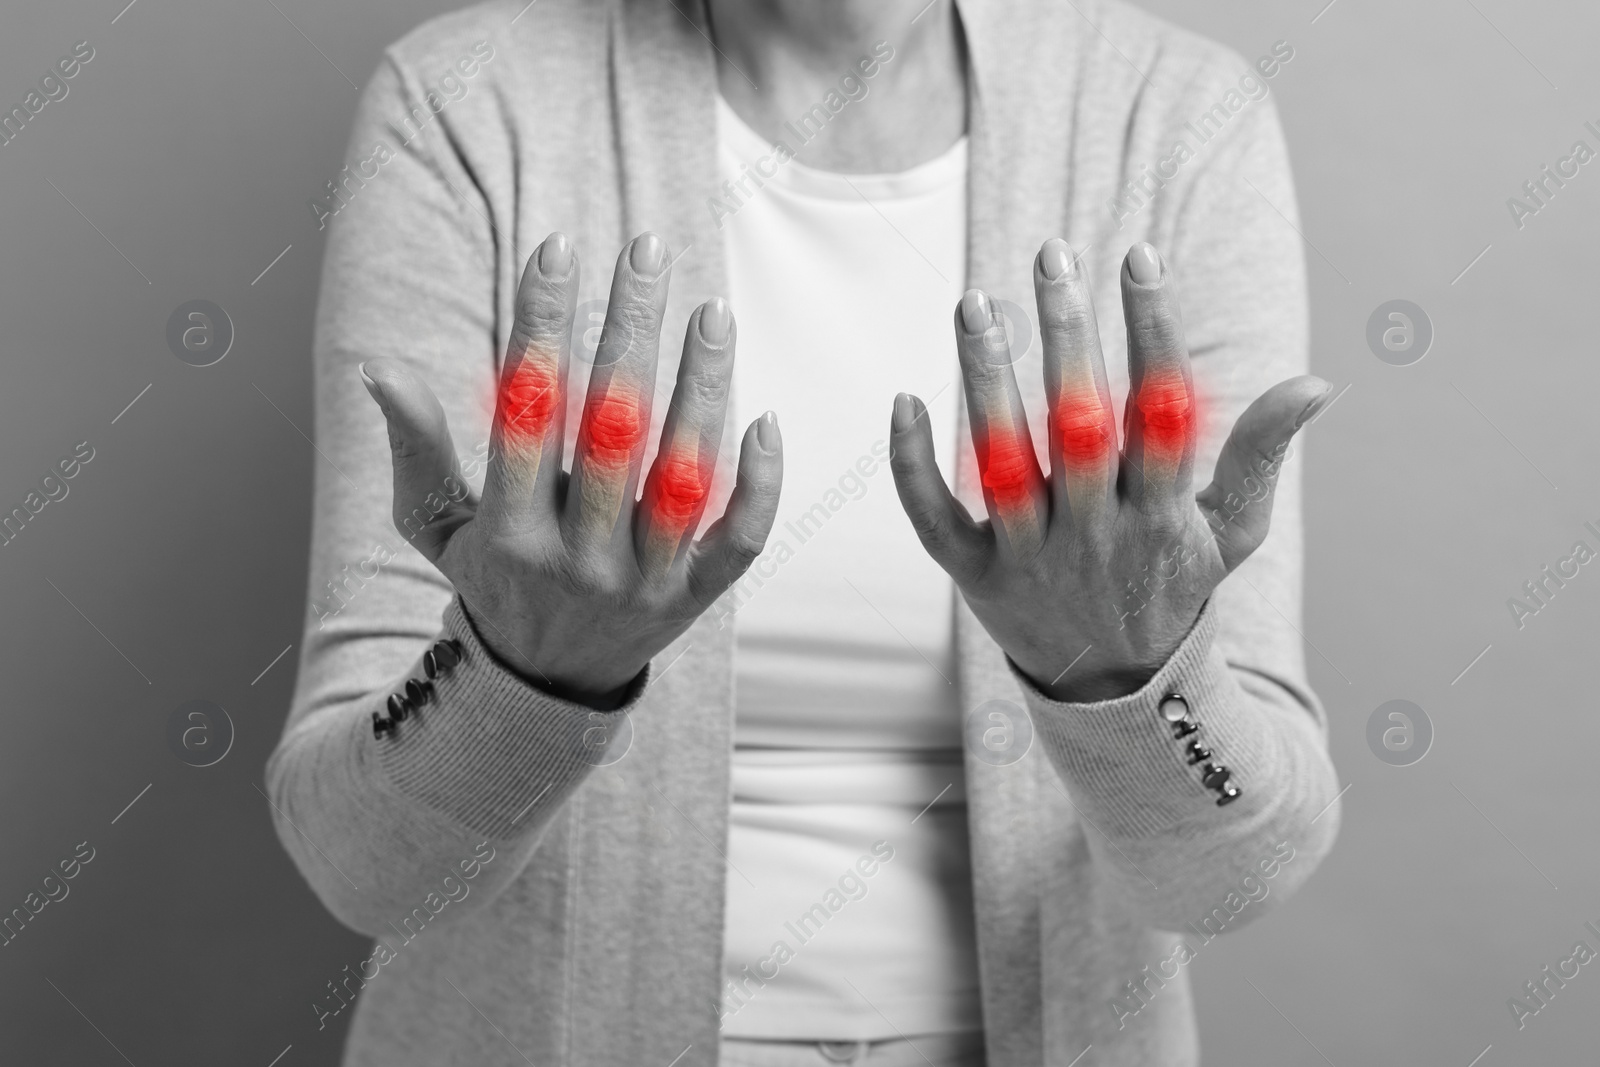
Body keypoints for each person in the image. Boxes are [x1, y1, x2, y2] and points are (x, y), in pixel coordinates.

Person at [266, 0, 1342, 1064]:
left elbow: (1231, 872)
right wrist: (521, 678)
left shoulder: (1178, 120)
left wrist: (1126, 681)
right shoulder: (468, 103)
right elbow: (365, 867)